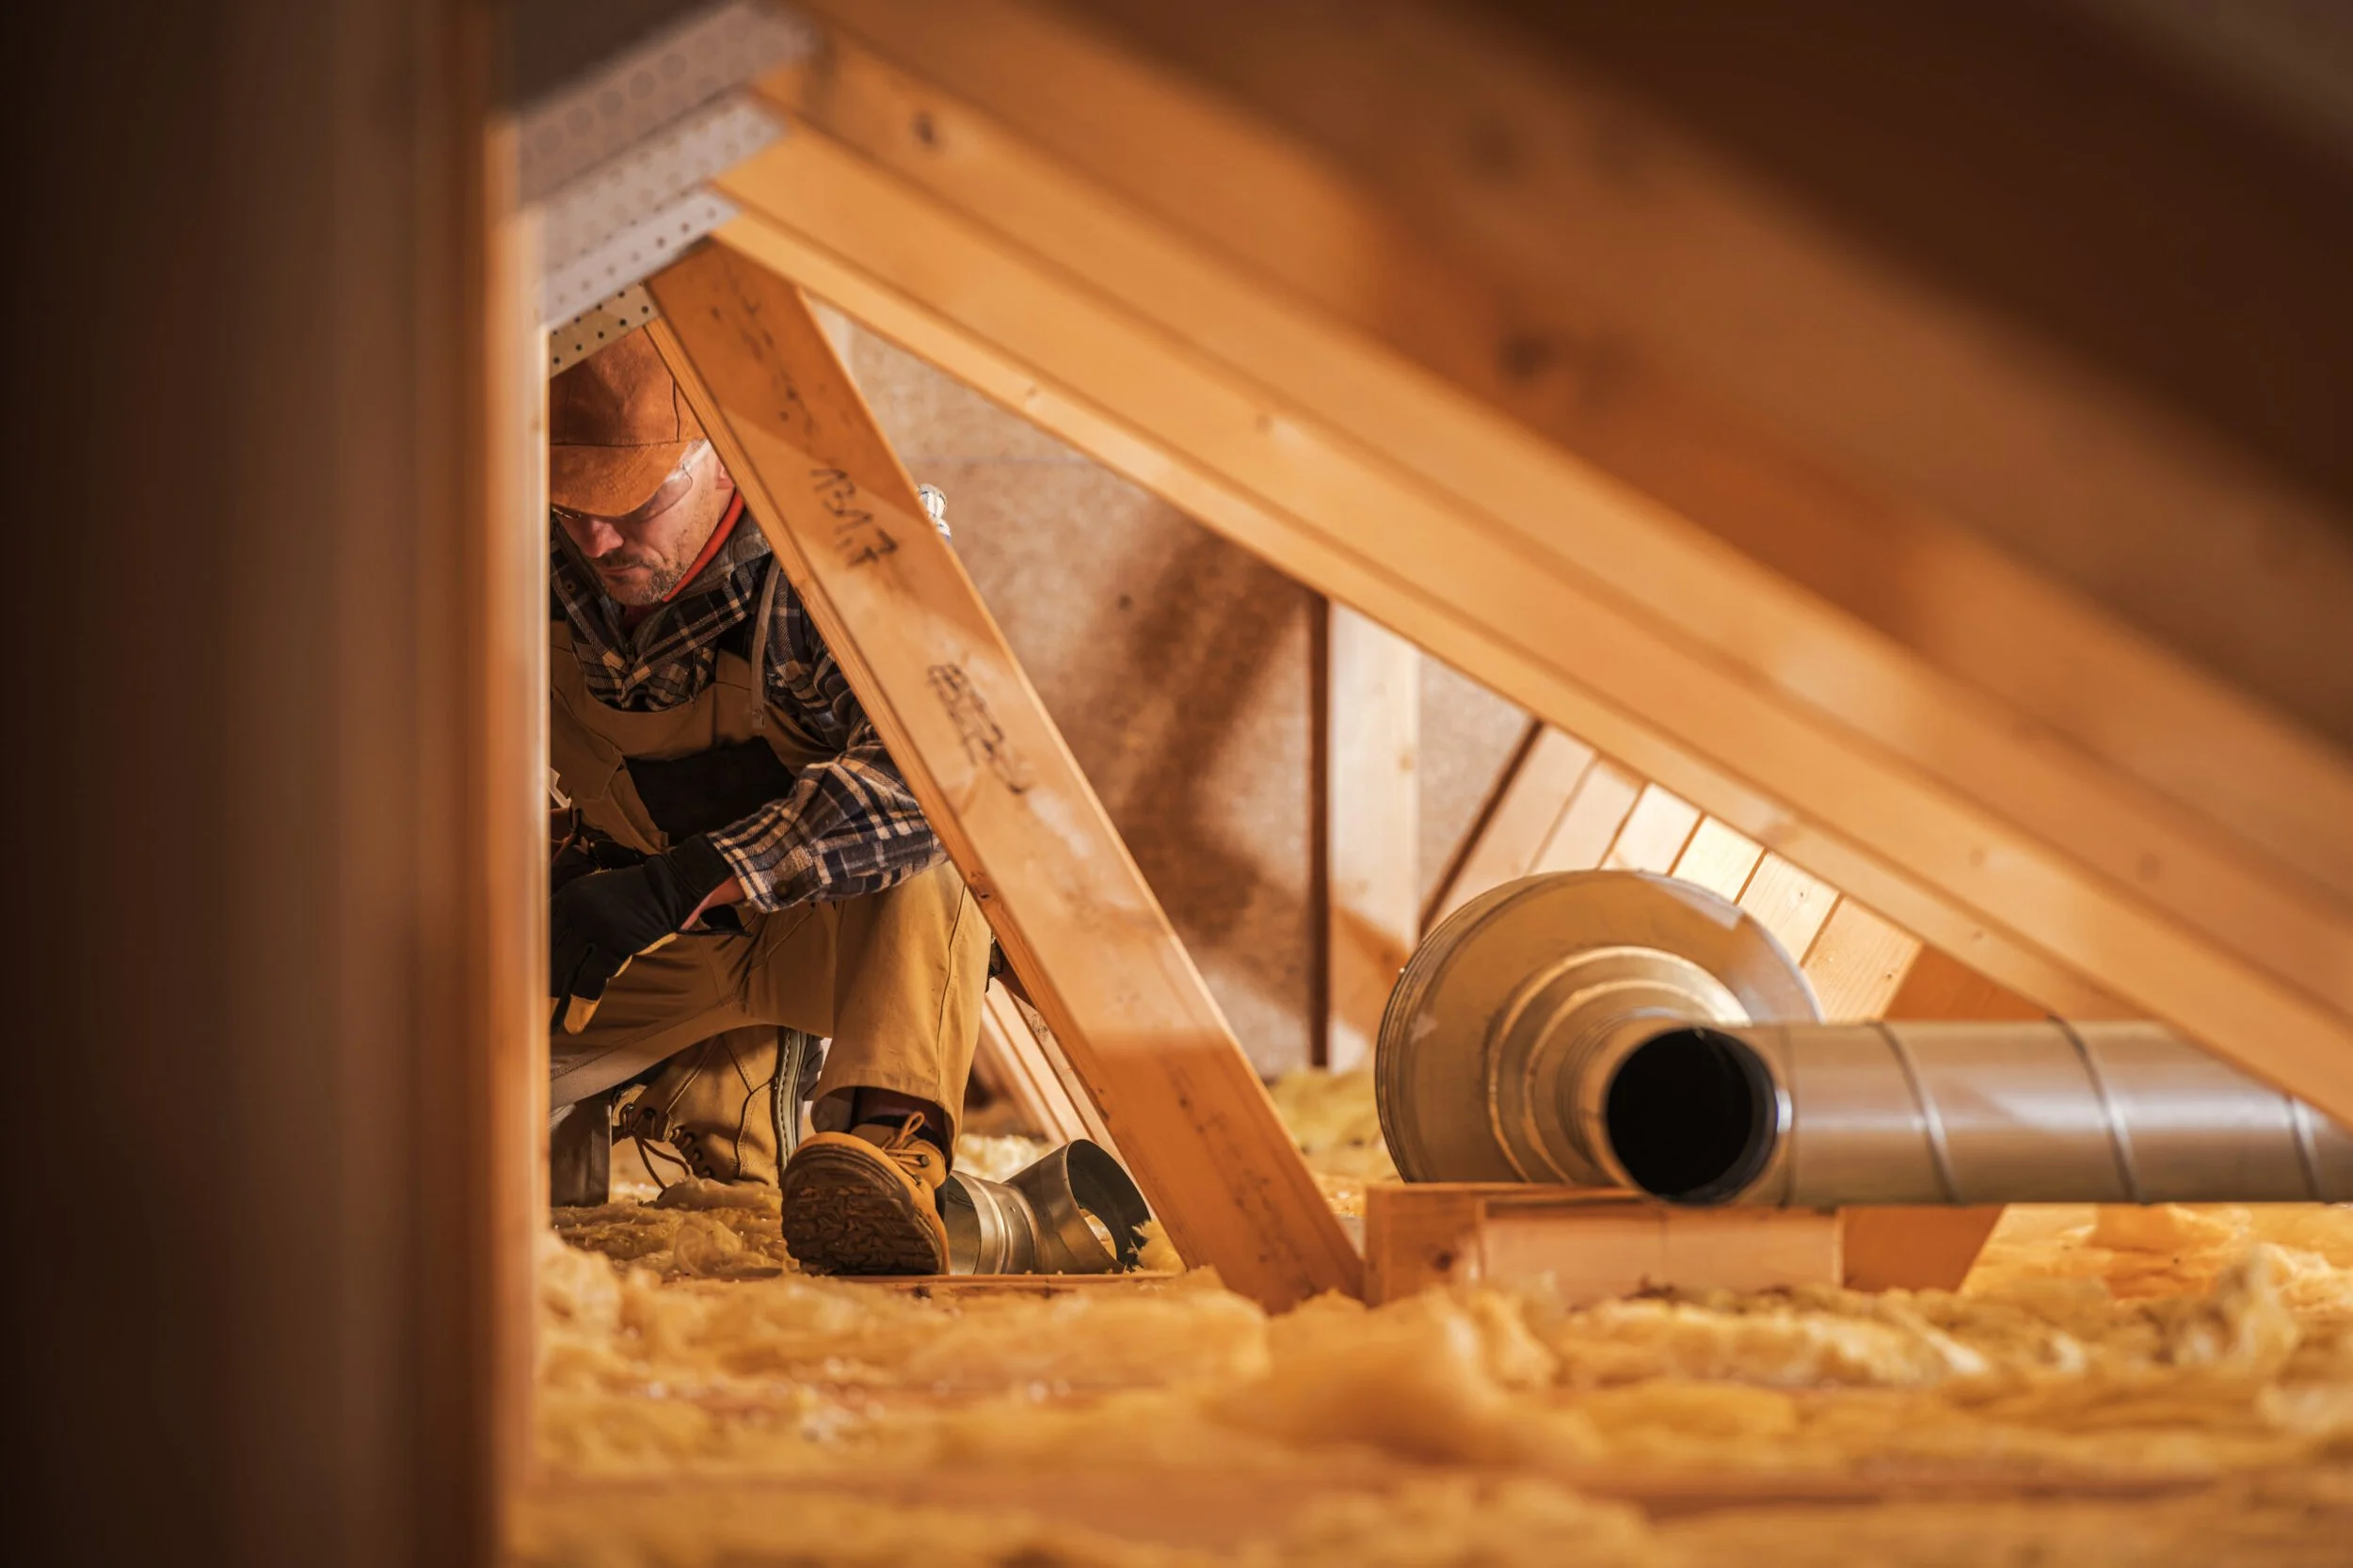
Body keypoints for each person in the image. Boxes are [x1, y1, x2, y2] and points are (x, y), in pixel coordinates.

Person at [541, 326, 988, 1274]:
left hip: (834, 936)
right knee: (411, 1101)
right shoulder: (535, 556)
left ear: (718, 457)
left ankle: (883, 1145)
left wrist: (689, 878)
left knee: (939, 842)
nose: (597, 539)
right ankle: (723, 1082)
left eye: (634, 505)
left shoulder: (840, 545)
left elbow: (940, 768)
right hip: (645, 936)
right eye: (572, 507)